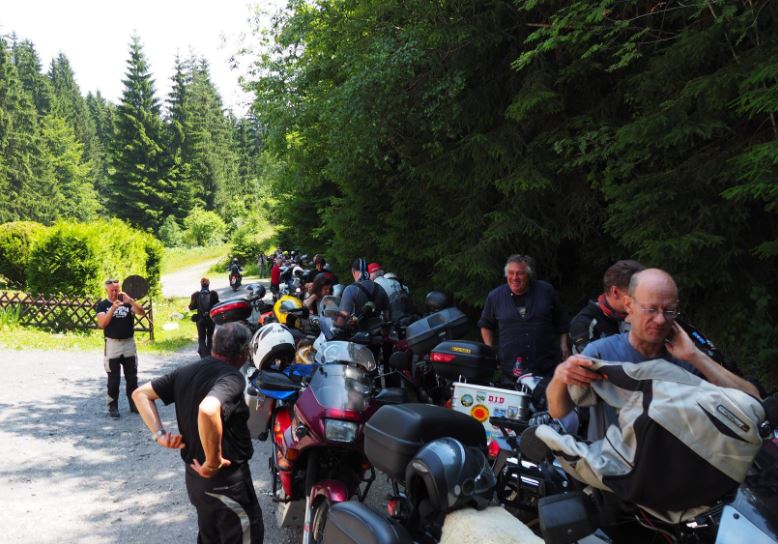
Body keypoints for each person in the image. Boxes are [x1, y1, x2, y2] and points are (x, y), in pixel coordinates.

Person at [547, 268, 761, 441]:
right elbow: (558, 411)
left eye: (669, 311)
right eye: (651, 309)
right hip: (616, 473)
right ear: (629, 306)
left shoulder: (686, 356)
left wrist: (696, 356)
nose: (660, 320)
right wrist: (559, 377)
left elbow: (753, 401)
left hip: (675, 472)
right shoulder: (601, 352)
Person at [132, 322, 264, 544]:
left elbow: (140, 394)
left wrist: (160, 435)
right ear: (243, 353)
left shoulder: (185, 371)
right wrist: (212, 461)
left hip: (196, 480)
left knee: (210, 537)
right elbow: (208, 409)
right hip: (226, 481)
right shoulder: (231, 377)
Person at [478, 255, 569, 384]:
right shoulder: (495, 296)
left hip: (546, 367)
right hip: (511, 369)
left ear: (528, 275)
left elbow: (561, 320)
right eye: (511, 273)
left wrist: (564, 345)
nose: (515, 278)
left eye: (520, 273)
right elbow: (486, 325)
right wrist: (490, 350)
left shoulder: (546, 291)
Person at [95, 277, 146, 418]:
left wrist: (131, 301)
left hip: (129, 343)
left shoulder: (127, 302)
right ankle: (113, 406)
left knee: (132, 377)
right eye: (111, 290)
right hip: (113, 344)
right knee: (113, 378)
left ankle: (134, 404)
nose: (114, 293)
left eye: (116, 290)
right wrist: (113, 308)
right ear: (106, 290)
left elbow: (141, 312)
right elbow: (102, 324)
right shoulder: (102, 305)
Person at [569, 260, 645, 353]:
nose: (642, 298)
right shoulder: (583, 323)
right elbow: (591, 359)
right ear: (615, 292)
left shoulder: (644, 314)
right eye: (636, 293)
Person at [189, 277, 220, 358]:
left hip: (200, 320)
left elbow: (191, 307)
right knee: (210, 337)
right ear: (208, 284)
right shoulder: (213, 294)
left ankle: (203, 355)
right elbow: (218, 305)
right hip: (211, 319)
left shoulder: (196, 295)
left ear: (201, 284)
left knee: (201, 338)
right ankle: (210, 355)